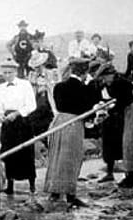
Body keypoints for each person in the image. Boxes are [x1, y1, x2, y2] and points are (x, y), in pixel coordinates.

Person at [44, 59, 97, 207]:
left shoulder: (59, 87)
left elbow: (59, 104)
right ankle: (70, 195)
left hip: (59, 122)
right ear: (85, 73)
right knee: (71, 158)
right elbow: (86, 110)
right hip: (74, 124)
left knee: (56, 155)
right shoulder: (84, 89)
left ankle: (54, 192)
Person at [96, 65, 133, 189]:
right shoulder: (109, 86)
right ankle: (130, 177)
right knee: (127, 145)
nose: (104, 80)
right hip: (128, 112)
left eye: (106, 77)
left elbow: (123, 101)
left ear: (111, 74)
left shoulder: (121, 83)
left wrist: (108, 111)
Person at [0, 60, 37, 195]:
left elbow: (31, 105)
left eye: (10, 73)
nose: (7, 75)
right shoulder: (0, 87)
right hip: (7, 124)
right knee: (9, 153)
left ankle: (32, 185)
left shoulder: (25, 85)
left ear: (16, 72)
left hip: (22, 123)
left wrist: (17, 113)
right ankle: (10, 185)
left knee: (25, 153)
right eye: (5, 73)